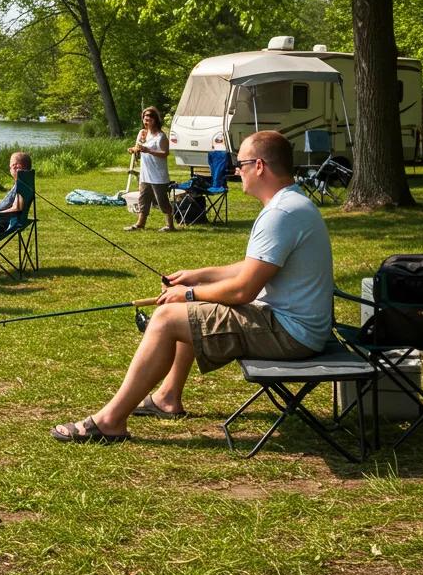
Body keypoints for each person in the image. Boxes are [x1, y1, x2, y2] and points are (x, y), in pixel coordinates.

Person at [51, 130, 333, 444]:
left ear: (260, 166)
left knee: (166, 318)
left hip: (291, 333)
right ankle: (167, 398)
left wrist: (186, 293)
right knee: (186, 311)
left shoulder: (281, 213)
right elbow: (250, 268)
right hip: (293, 324)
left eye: (240, 164)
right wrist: (197, 276)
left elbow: (243, 291)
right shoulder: (290, 204)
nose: (235, 171)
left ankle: (109, 421)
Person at [125, 107, 175, 233]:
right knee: (143, 198)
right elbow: (139, 147)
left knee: (161, 201)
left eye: (149, 120)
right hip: (145, 173)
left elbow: (165, 153)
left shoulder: (161, 136)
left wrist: (149, 150)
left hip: (158, 174)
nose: (147, 122)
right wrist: (134, 149)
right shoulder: (142, 133)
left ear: (155, 120)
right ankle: (140, 224)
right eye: (145, 120)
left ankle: (170, 225)